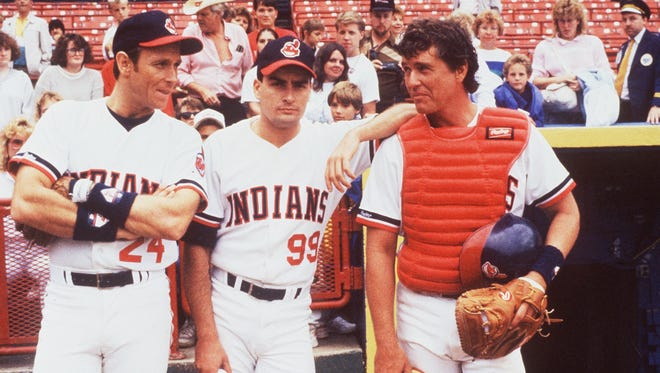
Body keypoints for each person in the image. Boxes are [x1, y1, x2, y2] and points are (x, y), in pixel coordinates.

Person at [345, 19, 579, 372]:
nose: (411, 81)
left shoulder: (516, 132)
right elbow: (378, 248)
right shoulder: (397, 146)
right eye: (407, 69)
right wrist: (386, 344)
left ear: (460, 70)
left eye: (424, 69)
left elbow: (568, 213)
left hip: (497, 308)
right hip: (420, 315)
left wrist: (538, 277)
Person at [181, 35, 417, 373]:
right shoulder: (221, 145)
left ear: (312, 89)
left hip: (292, 315)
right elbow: (196, 247)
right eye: (277, 83)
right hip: (228, 304)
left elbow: (411, 112)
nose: (289, 95)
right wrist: (206, 334)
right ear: (257, 85)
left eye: (300, 85)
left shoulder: (329, 141)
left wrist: (355, 135)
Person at [9, 11, 207, 372]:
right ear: (124, 63)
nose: (173, 78)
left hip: (142, 299)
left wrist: (83, 189)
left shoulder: (183, 136)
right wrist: (131, 223)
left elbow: (173, 221)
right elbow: (26, 202)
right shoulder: (66, 117)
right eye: (161, 64)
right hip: (69, 298)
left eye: (177, 65)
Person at [530, 0, 610, 124]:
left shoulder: (593, 43)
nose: (566, 26)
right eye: (562, 21)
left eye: (570, 20)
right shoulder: (545, 46)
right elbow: (535, 81)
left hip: (590, 112)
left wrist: (583, 83)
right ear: (556, 22)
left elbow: (606, 75)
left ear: (578, 21)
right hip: (556, 114)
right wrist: (562, 79)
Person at [179, 0, 253, 126]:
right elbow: (180, 72)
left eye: (204, 14)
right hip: (200, 104)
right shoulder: (191, 33)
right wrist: (202, 90)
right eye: (197, 14)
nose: (199, 19)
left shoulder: (238, 33)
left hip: (233, 105)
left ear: (218, 13)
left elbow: (248, 71)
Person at [615, 0, 660, 124]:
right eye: (624, 20)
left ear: (645, 20)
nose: (627, 23)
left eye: (632, 18)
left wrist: (657, 105)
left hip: (646, 111)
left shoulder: (655, 44)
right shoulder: (624, 48)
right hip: (622, 108)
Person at [361, 0, 406, 112]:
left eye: (386, 16)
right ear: (370, 15)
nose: (381, 21)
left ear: (392, 16)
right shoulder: (359, 42)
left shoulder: (402, 48)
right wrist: (366, 69)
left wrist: (406, 72)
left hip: (389, 114)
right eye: (377, 16)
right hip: (358, 112)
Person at [33, 33, 103, 102]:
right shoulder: (49, 74)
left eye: (80, 50)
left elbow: (96, 109)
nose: (77, 54)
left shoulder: (95, 76)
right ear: (63, 52)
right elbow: (37, 104)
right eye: (73, 50)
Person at [335, 11, 380, 116]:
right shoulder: (327, 62)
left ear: (361, 35)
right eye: (342, 32)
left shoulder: (367, 68)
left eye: (351, 33)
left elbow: (369, 113)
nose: (346, 37)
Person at [1, 0, 52, 79]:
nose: (22, 1)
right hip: (11, 69)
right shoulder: (7, 23)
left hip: (33, 72)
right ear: (15, 2)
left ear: (31, 2)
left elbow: (47, 51)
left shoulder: (40, 23)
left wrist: (41, 68)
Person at [304, 42, 350, 124]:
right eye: (332, 60)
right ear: (322, 62)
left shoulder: (349, 89)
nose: (337, 65)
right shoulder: (306, 84)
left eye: (341, 62)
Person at [494, 53, 545, 126]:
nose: (517, 78)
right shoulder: (498, 95)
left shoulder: (537, 96)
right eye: (513, 74)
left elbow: (540, 120)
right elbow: (496, 120)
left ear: (528, 76)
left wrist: (534, 124)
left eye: (521, 74)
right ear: (506, 77)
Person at [240, 27, 278, 118]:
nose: (266, 44)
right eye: (262, 41)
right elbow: (253, 107)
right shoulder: (251, 74)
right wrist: (274, 120)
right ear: (256, 45)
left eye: (270, 40)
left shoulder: (287, 71)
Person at [0, 31, 34, 127]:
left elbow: (29, 112)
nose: (3, 53)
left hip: (13, 137)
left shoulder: (22, 79)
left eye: (6, 49)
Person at [0, 116, 33, 200]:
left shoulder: (40, 179)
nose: (23, 148)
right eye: (17, 142)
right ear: (6, 147)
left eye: (28, 143)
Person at [473, 9, 511, 78]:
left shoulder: (506, 56)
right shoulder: (472, 54)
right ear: (477, 31)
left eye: (493, 28)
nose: (488, 32)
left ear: (498, 31)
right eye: (484, 28)